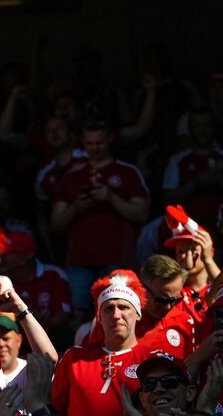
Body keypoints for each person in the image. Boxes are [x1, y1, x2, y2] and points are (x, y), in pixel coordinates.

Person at [51, 273, 156, 416]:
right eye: (108, 309)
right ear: (98, 317)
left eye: (124, 307)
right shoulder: (74, 358)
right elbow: (54, 412)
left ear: (138, 314)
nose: (116, 315)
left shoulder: (153, 360)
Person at [51, 122, 151, 305]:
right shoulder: (71, 176)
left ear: (109, 140)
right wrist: (76, 207)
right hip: (78, 261)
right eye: (90, 144)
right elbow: (56, 223)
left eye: (99, 143)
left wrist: (110, 198)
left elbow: (142, 214)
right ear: (83, 143)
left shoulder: (127, 172)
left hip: (117, 259)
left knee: (116, 310)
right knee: (77, 313)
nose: (94, 148)